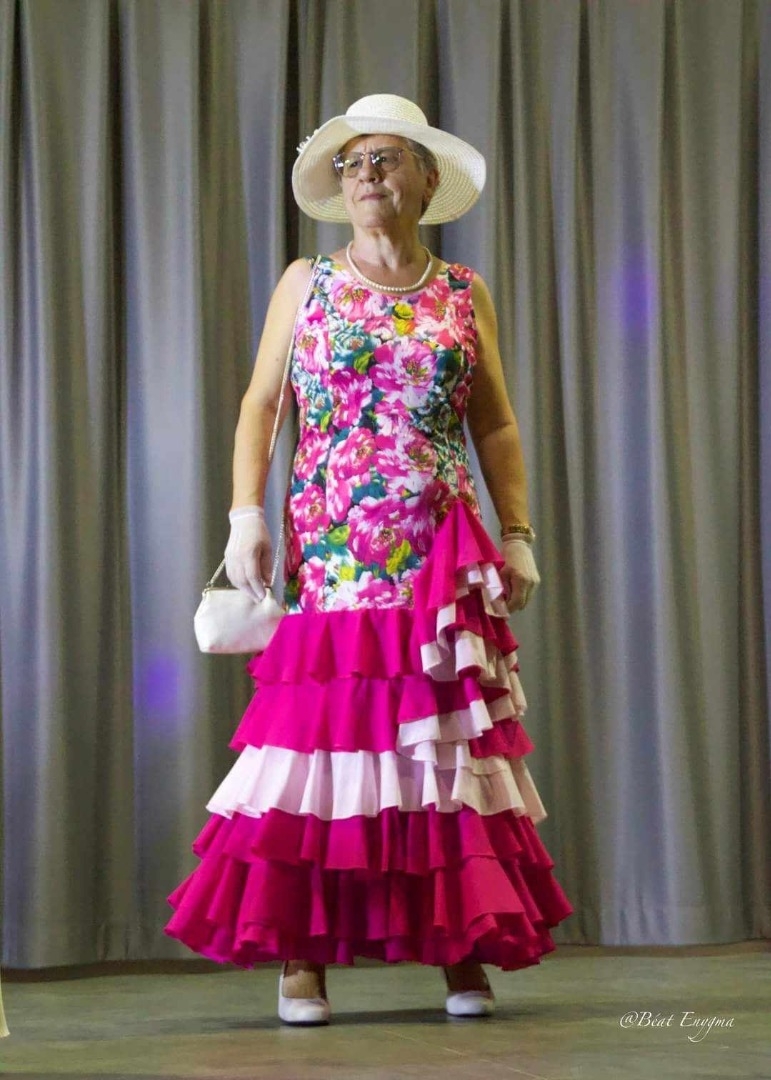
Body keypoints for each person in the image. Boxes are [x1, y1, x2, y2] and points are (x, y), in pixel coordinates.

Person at [166, 93, 572, 1024]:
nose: (366, 175)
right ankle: (301, 954)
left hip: (440, 556)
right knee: (326, 746)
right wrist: (243, 516)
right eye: (351, 163)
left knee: (439, 749)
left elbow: (495, 423)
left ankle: (458, 945)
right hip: (334, 549)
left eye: (385, 158)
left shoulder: (462, 292)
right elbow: (261, 404)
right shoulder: (306, 281)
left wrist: (517, 532)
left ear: (427, 180)